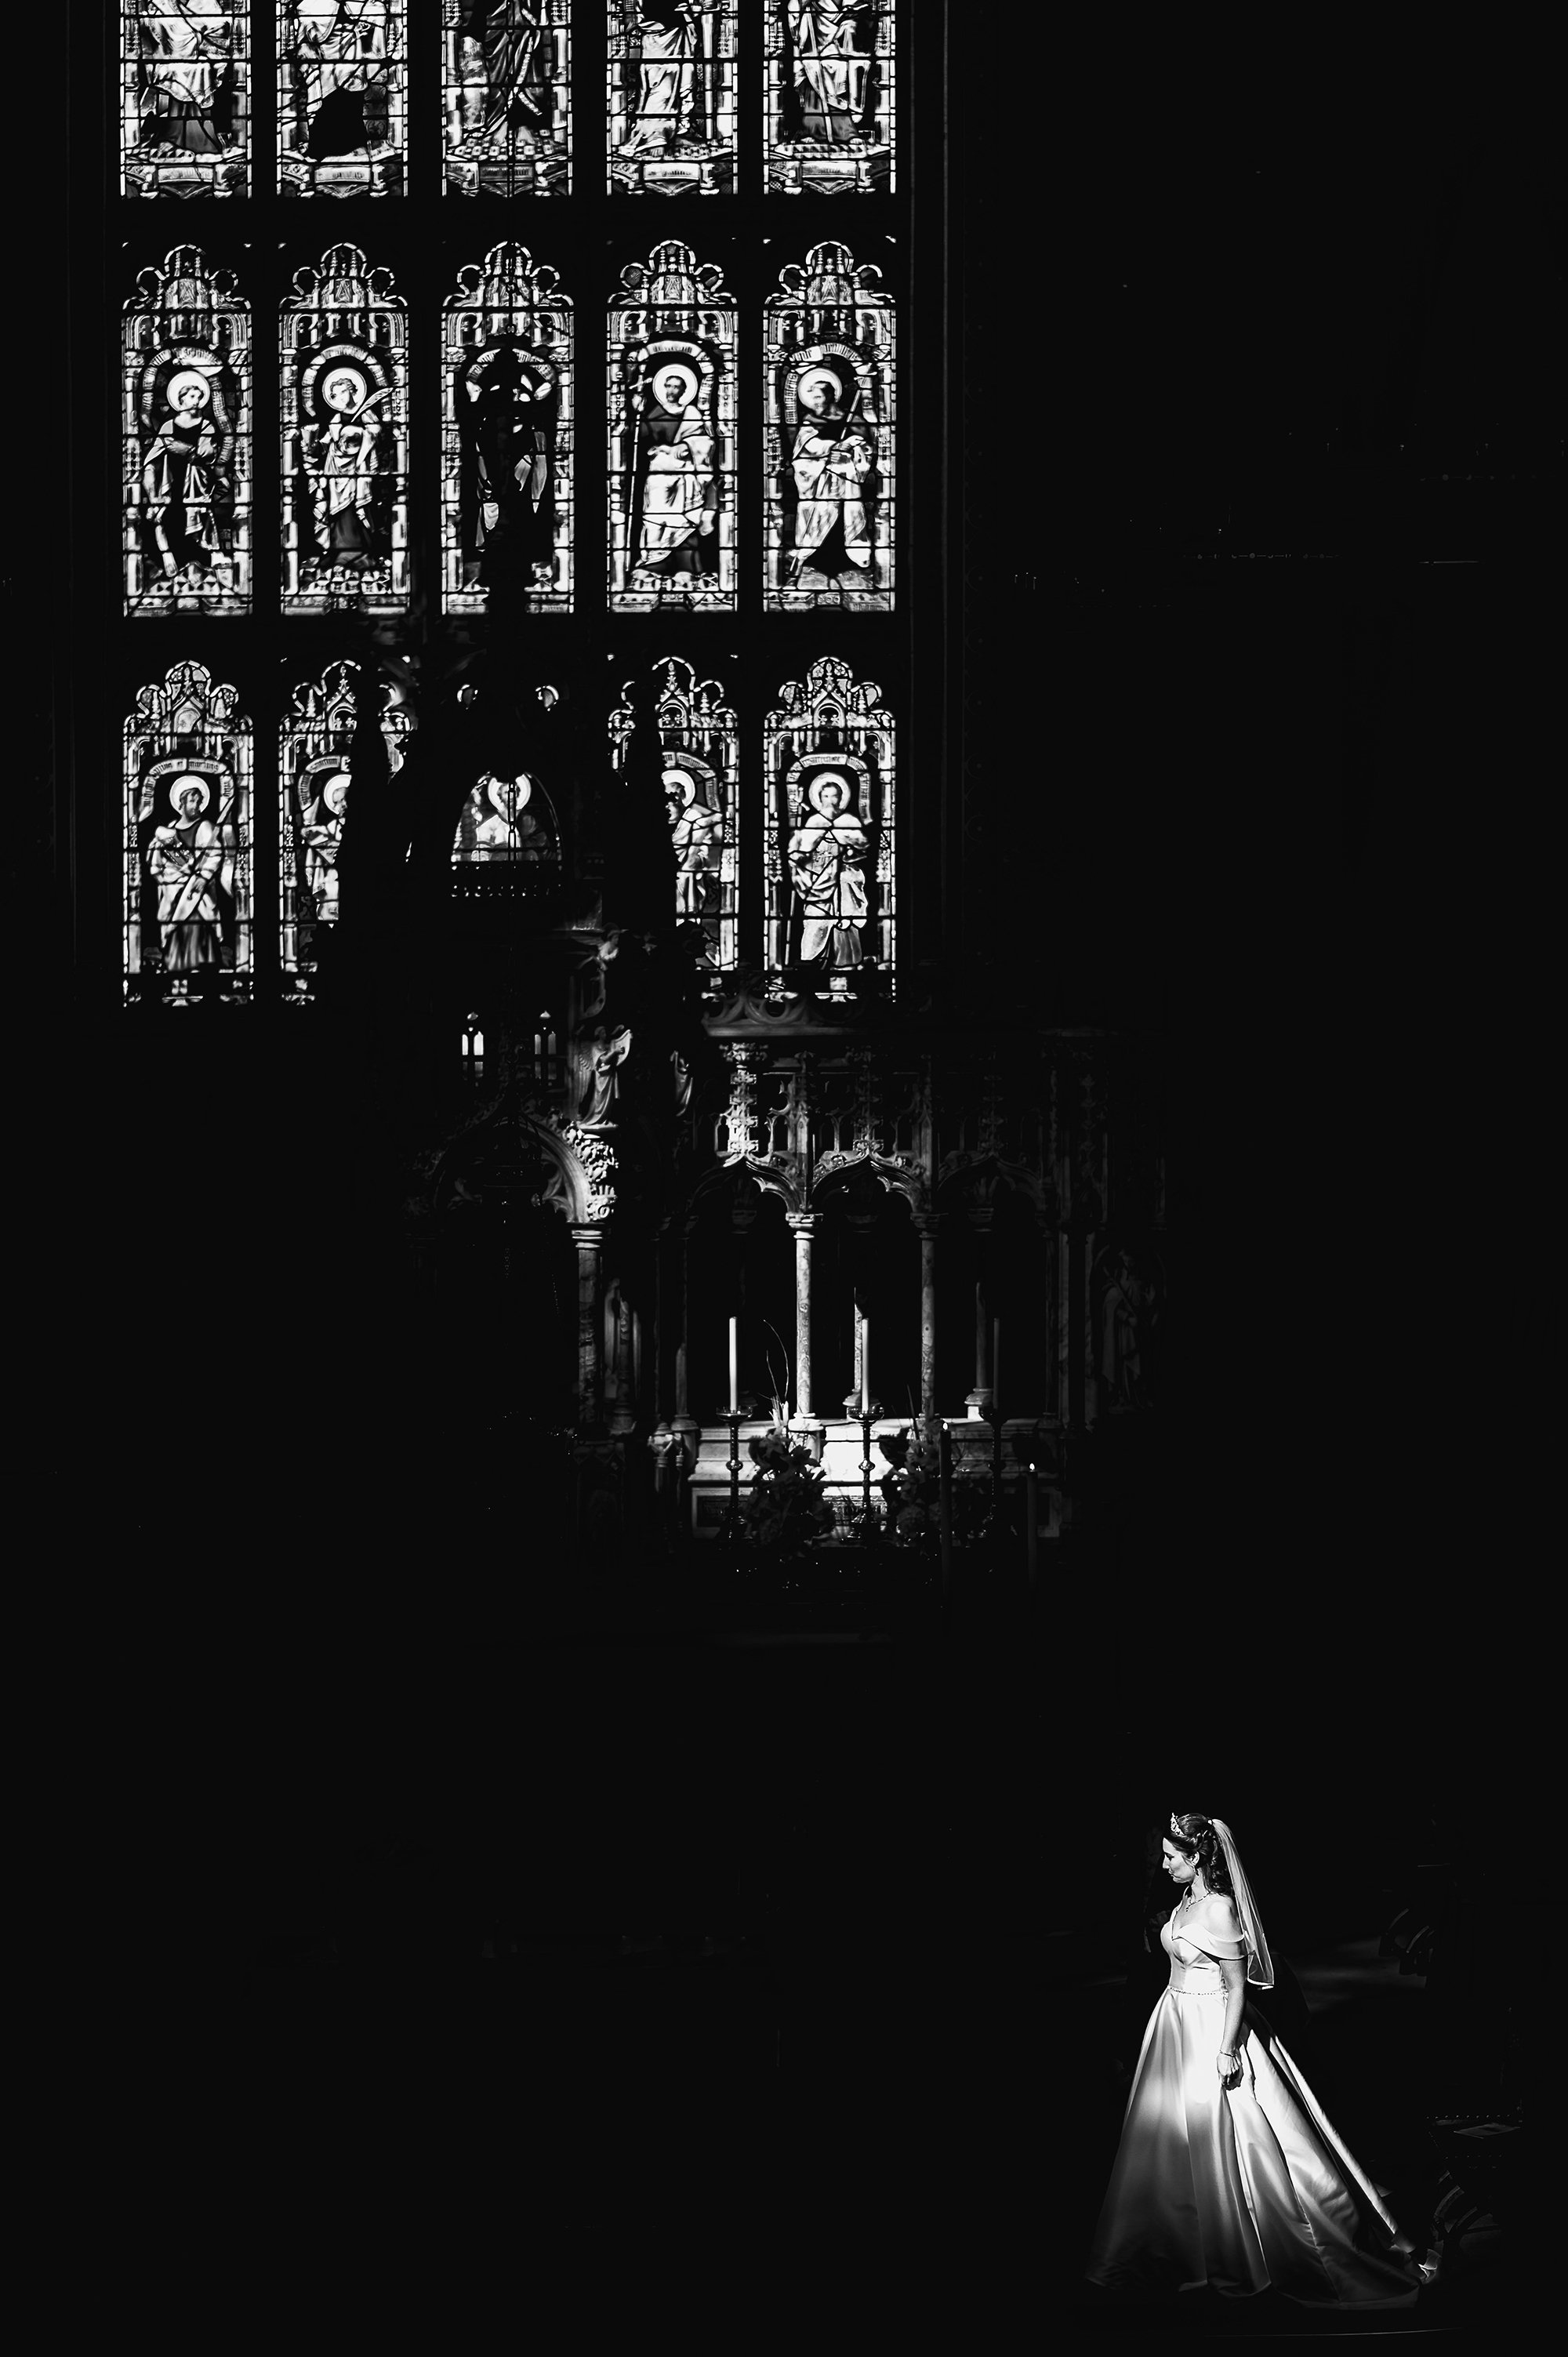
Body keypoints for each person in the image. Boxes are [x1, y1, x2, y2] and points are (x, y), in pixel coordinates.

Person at [1085, 1812, 1435, 2308]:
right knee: (1168, 2137)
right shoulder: (1186, 1900)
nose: (1162, 1865)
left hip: (1211, 2027)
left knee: (1245, 2138)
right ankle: (1179, 2247)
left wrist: (1227, 2050)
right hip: (1174, 2025)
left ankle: (1265, 2246)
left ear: (1198, 1857)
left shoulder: (1221, 1909)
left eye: (1170, 1857)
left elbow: (1235, 1987)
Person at [462, 347, 555, 594]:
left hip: (521, 488)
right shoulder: (488, 415)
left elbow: (540, 470)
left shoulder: (529, 418)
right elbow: (474, 444)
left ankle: (520, 548)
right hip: (494, 481)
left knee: (520, 512)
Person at [628, 362, 717, 587]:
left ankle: (686, 568)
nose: (671, 391)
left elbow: (706, 441)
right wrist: (636, 414)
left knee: (683, 523)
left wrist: (686, 446)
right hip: (658, 477)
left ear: (684, 390)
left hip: (684, 477)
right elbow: (640, 441)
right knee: (654, 519)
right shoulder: (652, 412)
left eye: (676, 387)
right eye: (668, 385)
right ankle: (652, 564)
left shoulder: (692, 413)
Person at [789, 365, 877, 584]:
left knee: (847, 517)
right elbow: (802, 454)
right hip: (819, 485)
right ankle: (813, 562)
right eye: (812, 397)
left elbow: (866, 449)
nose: (815, 402)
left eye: (819, 396)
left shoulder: (851, 420)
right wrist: (829, 451)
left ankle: (849, 564)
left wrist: (847, 453)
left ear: (831, 396)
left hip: (846, 485)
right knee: (817, 517)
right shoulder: (809, 422)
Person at [140, 370, 224, 582]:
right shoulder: (169, 426)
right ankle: (169, 559)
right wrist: (153, 496)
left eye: (199, 396)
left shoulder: (207, 426)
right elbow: (151, 461)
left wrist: (185, 449)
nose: (198, 401)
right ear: (181, 399)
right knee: (167, 518)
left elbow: (207, 454)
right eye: (192, 396)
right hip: (172, 483)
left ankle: (200, 564)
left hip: (197, 485)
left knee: (196, 519)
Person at [145, 773, 233, 973]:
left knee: (198, 933)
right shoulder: (169, 829)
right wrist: (163, 876)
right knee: (175, 935)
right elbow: (157, 860)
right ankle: (176, 980)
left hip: (195, 895)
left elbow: (215, 854)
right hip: (172, 892)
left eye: (199, 801)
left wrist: (203, 877)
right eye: (192, 800)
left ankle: (204, 982)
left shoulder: (205, 827)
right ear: (181, 802)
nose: (197, 805)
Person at [303, 366, 387, 573]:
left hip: (358, 470)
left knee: (357, 509)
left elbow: (376, 435)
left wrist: (360, 433)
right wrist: (314, 445)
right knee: (335, 511)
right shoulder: (336, 418)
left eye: (343, 391)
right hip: (335, 470)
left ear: (352, 390)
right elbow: (327, 442)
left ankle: (360, 553)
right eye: (335, 394)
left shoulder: (366, 414)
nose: (339, 397)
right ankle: (337, 551)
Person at [787, 772, 869, 968]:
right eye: (826, 796)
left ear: (841, 798)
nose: (830, 801)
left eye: (834, 796)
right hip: (817, 881)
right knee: (815, 924)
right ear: (820, 798)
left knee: (846, 922)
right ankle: (809, 968)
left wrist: (846, 852)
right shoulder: (813, 821)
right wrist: (798, 855)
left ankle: (846, 969)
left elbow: (863, 847)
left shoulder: (849, 821)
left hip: (844, 882)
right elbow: (802, 851)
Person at [135, 0, 235, 156]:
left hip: (204, 56)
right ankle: (173, 134)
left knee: (198, 68)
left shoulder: (207, 2)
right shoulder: (164, 3)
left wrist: (197, 40)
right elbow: (158, 34)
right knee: (179, 69)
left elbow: (220, 32)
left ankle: (199, 136)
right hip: (171, 59)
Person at [617, 2, 699, 158]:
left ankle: (665, 133)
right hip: (653, 38)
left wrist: (688, 12)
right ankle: (653, 136)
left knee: (671, 89)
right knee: (655, 88)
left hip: (675, 36)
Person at [789, 0, 870, 147]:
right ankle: (812, 130)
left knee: (840, 68)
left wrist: (849, 21)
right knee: (813, 67)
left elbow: (862, 13)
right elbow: (794, 12)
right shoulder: (813, 5)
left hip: (842, 47)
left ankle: (846, 131)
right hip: (814, 47)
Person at [302, 772, 350, 922]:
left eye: (343, 800)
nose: (340, 806)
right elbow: (321, 833)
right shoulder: (332, 825)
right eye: (337, 802)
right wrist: (311, 831)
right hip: (332, 875)